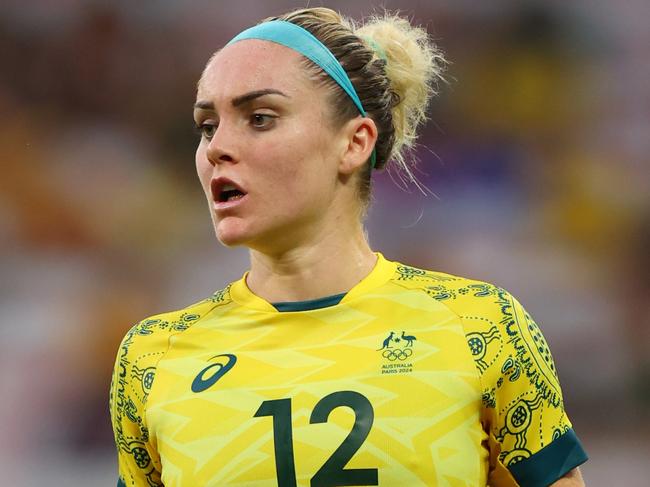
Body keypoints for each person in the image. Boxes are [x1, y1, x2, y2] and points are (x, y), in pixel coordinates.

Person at [109, 7, 588, 486]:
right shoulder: (152, 358)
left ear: (355, 143)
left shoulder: (481, 327)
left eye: (259, 118)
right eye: (208, 126)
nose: (216, 148)